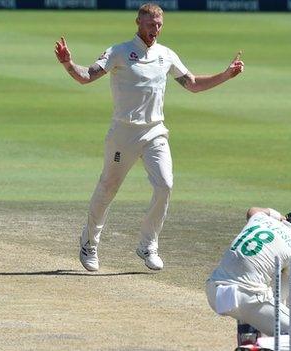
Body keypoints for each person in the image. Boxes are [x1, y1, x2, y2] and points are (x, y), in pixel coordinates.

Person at [54, 3, 245, 272]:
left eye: (158, 25)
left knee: (165, 185)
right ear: (138, 23)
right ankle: (89, 243)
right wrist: (68, 64)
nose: (155, 30)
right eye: (150, 24)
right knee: (108, 188)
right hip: (123, 132)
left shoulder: (166, 55)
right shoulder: (119, 52)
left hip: (155, 131)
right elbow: (87, 77)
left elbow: (192, 84)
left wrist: (226, 75)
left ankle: (148, 244)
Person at [205, 207, 291, 351]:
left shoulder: (261, 219)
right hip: (247, 298)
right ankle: (257, 347)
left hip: (214, 293)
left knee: (256, 300)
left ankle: (250, 339)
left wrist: (276, 215)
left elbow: (252, 210)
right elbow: (279, 297)